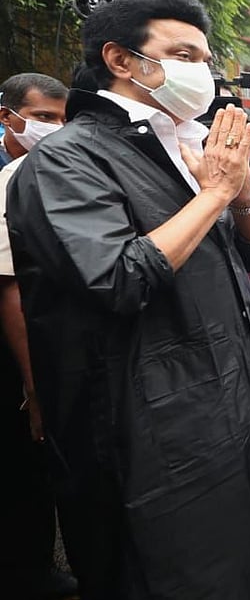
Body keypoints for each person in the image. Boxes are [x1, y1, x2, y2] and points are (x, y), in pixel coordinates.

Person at [6, 0, 250, 598]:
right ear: (120, 58)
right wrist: (214, 195)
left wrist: (240, 194)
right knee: (170, 569)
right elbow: (118, 277)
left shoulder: (184, 145)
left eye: (203, 56)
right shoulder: (67, 161)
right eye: (181, 53)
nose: (201, 70)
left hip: (227, 393)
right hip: (148, 423)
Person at [0, 73, 77, 599]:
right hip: (20, 348)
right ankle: (27, 574)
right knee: (25, 467)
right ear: (9, 117)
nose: (54, 129)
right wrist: (33, 386)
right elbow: (12, 292)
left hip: (46, 338)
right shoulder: (14, 180)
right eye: (43, 118)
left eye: (62, 119)